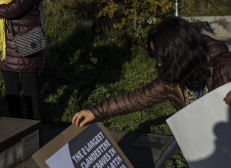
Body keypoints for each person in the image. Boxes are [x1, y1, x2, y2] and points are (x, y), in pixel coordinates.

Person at [72, 16, 231, 127]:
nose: (160, 64)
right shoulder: (171, 78)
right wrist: (95, 112)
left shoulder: (224, 66)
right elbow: (136, 99)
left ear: (179, 52)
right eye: (156, 57)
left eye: (163, 57)